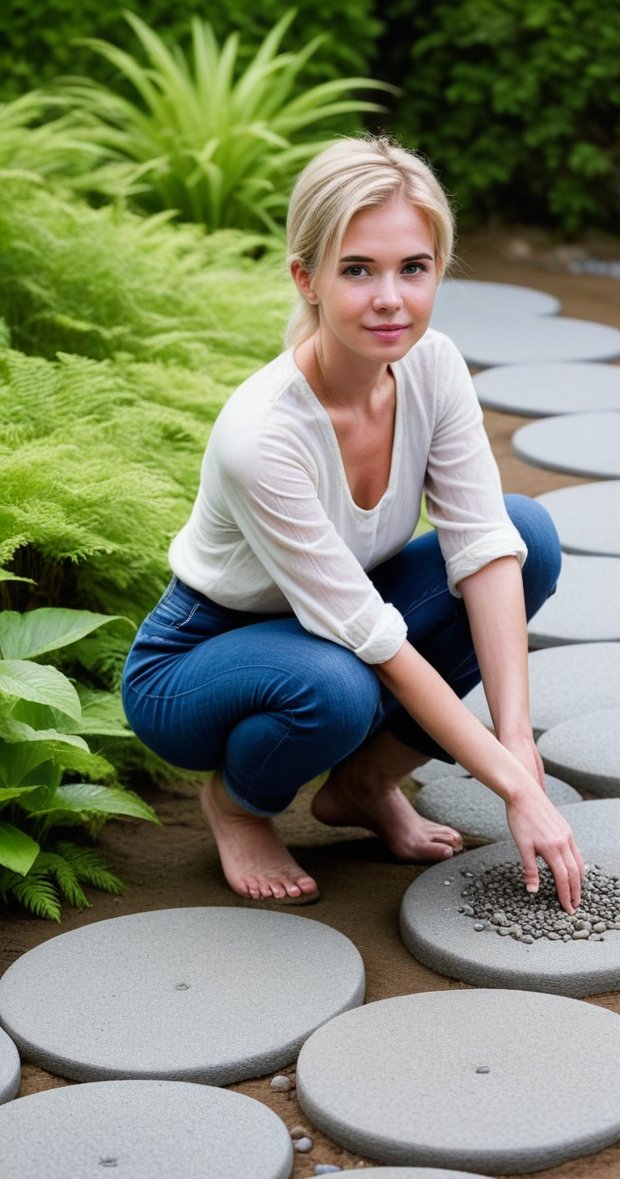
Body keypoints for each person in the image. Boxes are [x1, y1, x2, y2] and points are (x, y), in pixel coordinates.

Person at [121, 135, 584, 913]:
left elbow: (481, 546)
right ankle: (237, 805)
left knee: (523, 535)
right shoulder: (263, 435)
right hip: (198, 659)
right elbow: (369, 636)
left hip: (342, 621)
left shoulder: (434, 366)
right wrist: (512, 789)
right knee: (337, 687)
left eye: (414, 268)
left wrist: (518, 744)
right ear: (307, 277)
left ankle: (365, 786)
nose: (390, 300)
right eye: (358, 269)